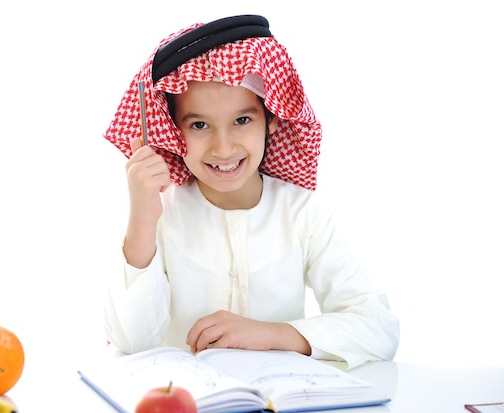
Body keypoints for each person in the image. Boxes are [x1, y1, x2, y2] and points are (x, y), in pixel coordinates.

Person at [101, 15, 399, 369]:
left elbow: (378, 328)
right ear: (174, 131)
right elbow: (130, 343)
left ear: (272, 118)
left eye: (242, 120)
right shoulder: (157, 213)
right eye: (199, 125)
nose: (223, 149)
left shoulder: (302, 211)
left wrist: (270, 334)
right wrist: (142, 222)